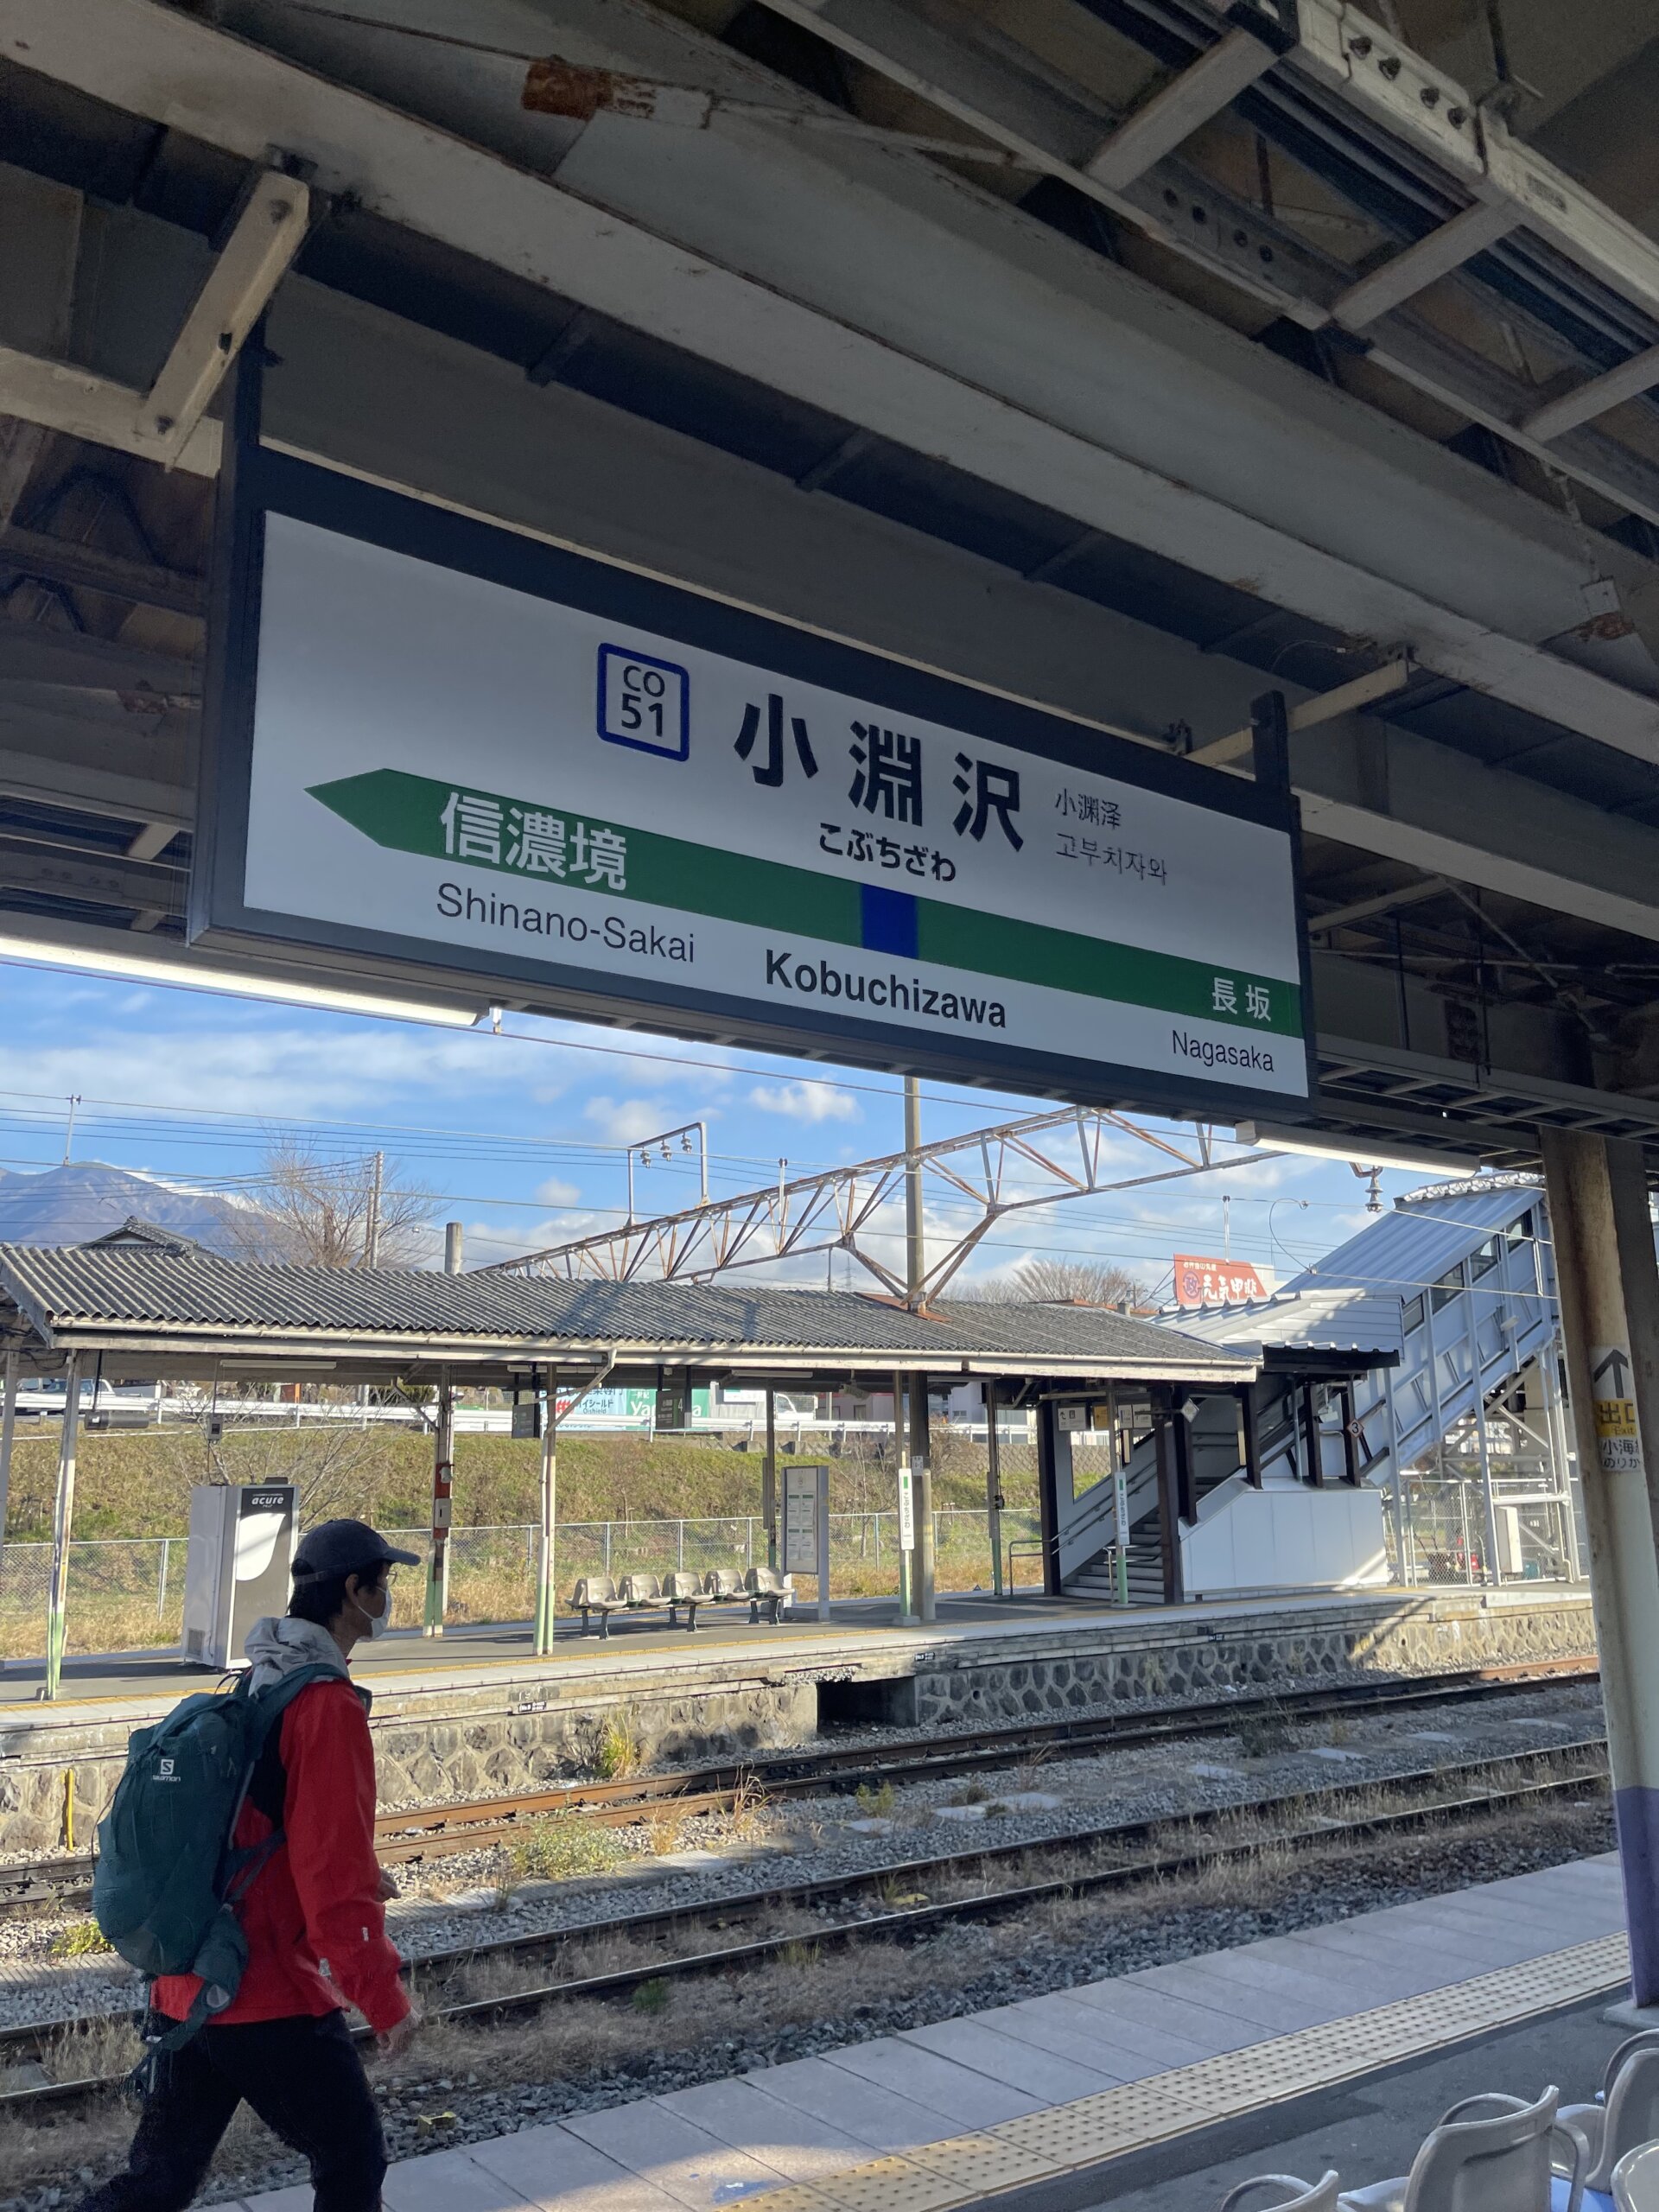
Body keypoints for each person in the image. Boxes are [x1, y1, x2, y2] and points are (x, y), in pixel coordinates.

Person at [80, 1518, 423, 2212]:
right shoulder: (326, 1706)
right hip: (263, 1988)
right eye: (382, 1584)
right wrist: (383, 1999)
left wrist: (360, 1870)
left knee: (158, 2183)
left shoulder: (258, 1677)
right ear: (353, 1592)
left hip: (190, 1984)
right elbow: (332, 1885)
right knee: (352, 2157)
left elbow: (260, 1826)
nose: (387, 1598)